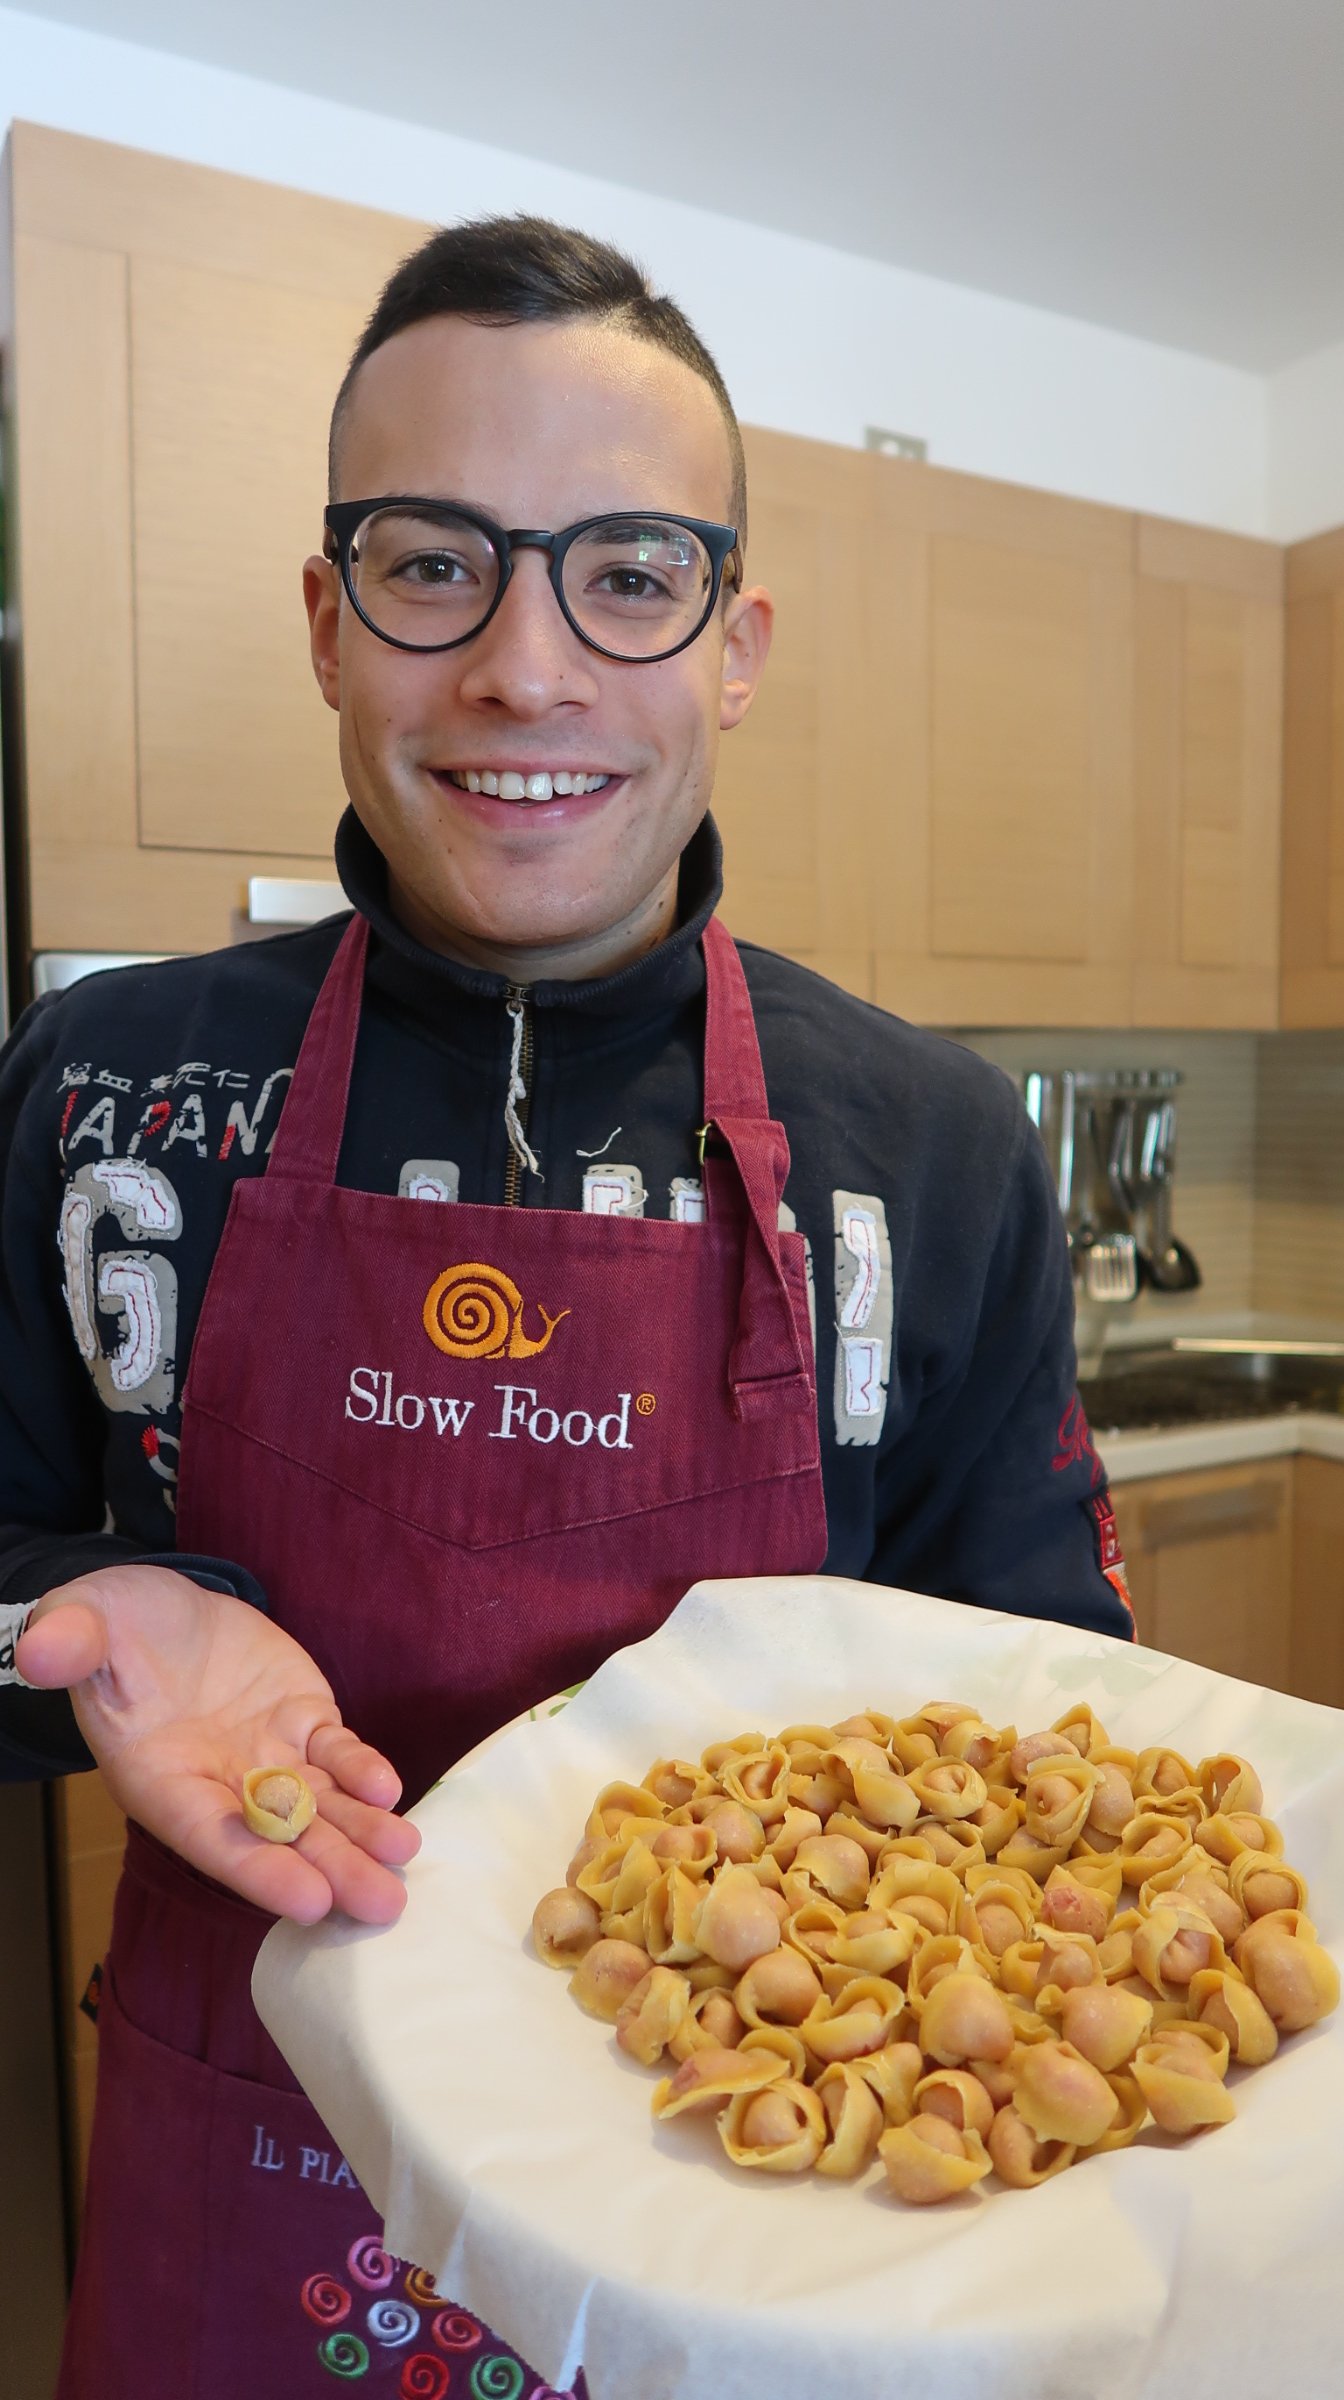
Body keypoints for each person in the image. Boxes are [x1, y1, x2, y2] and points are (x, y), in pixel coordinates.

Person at [0, 213, 1132, 2397]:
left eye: (629, 573)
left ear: (736, 645)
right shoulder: (103, 1097)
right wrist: (78, 1629)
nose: (527, 668)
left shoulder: (933, 1146)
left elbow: (1053, 1718)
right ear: (328, 624)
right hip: (249, 2175)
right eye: (434, 564)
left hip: (767, 2193)